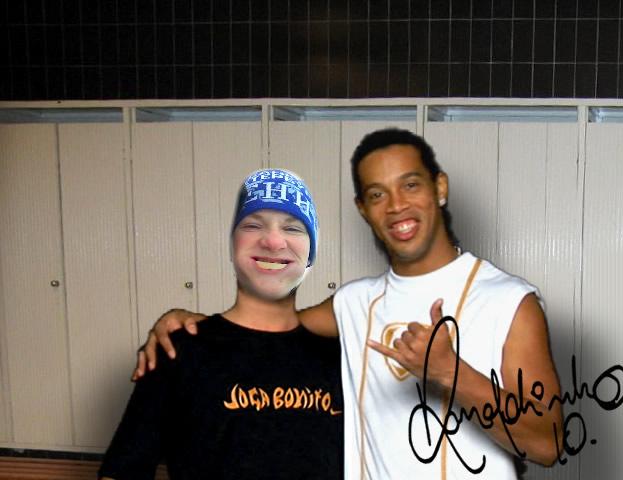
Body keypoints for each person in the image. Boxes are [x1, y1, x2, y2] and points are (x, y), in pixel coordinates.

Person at [136, 129, 563, 479]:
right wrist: (191, 325)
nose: (396, 205)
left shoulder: (510, 301)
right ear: (363, 209)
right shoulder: (354, 302)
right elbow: (266, 330)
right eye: (377, 194)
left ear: (440, 187)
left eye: (410, 184)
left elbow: (547, 444)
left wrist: (450, 372)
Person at [99, 169, 343, 479]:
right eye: (253, 225)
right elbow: (123, 469)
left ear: (311, 254)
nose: (272, 241)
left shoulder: (343, 355)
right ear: (232, 245)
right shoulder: (178, 348)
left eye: (292, 228)